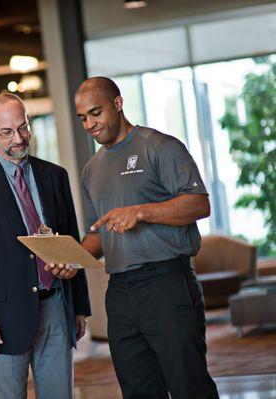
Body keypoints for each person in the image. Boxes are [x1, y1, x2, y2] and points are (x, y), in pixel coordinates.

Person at [75, 77, 219, 399]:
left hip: (167, 282)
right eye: (83, 117)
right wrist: (70, 258)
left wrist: (141, 212)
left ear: (118, 103)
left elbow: (200, 204)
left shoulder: (160, 147)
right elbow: (97, 235)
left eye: (95, 113)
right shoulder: (91, 170)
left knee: (188, 385)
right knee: (138, 390)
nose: (89, 124)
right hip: (121, 291)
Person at [0, 93, 91, 399]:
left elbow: (71, 241)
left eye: (23, 127)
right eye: (7, 132)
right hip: (2, 316)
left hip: (56, 306)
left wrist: (79, 306)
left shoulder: (55, 176)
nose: (18, 138)